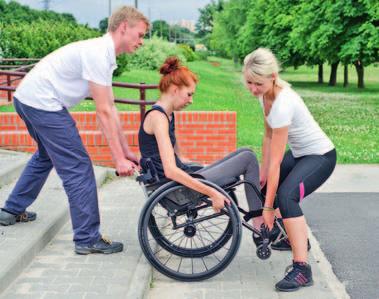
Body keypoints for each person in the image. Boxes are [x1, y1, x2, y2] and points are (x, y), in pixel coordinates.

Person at [0, 6, 149, 255]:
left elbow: (111, 109)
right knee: (78, 167)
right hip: (42, 103)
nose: (141, 42)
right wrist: (117, 160)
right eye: (140, 34)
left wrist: (126, 152)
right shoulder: (98, 54)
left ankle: (11, 209)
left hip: (27, 99)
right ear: (124, 27)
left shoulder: (103, 54)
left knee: (46, 155)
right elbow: (102, 113)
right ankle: (87, 238)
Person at [243, 48, 336, 292]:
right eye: (249, 82)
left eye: (257, 83)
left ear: (273, 76)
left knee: (286, 197)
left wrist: (268, 209)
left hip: (320, 157)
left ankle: (302, 268)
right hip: (299, 155)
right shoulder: (264, 94)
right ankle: (292, 238)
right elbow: (267, 135)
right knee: (266, 186)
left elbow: (276, 164)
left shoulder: (284, 103)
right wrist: (262, 172)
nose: (253, 88)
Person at [139, 56, 263, 226]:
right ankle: (260, 222)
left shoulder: (166, 115)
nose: (191, 100)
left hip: (181, 180)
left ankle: (259, 218)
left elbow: (176, 155)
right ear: (175, 90)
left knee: (246, 152)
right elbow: (170, 171)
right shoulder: (158, 118)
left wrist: (191, 164)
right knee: (248, 159)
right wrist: (211, 192)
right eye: (189, 94)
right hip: (177, 189)